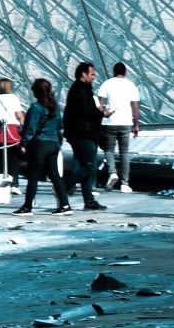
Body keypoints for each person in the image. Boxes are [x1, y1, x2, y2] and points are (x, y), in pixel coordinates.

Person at [16, 77, 69, 214]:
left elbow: (30, 128)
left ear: (36, 92)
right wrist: (59, 143)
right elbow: (59, 127)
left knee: (33, 176)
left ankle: (28, 206)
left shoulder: (36, 107)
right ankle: (65, 205)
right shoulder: (55, 107)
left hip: (40, 144)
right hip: (53, 144)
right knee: (55, 176)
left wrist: (24, 143)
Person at [62, 62, 107, 212]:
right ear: (84, 74)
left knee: (85, 165)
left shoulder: (80, 89)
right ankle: (65, 185)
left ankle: (89, 201)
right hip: (84, 133)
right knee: (90, 167)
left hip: (81, 132)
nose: (94, 77)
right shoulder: (80, 90)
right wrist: (102, 113)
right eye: (92, 74)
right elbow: (85, 112)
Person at [97, 61, 141, 191]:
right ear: (125, 72)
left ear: (113, 72)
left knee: (109, 149)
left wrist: (101, 116)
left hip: (110, 121)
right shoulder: (131, 85)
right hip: (126, 121)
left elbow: (100, 104)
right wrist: (136, 124)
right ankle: (125, 183)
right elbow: (135, 107)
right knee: (124, 152)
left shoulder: (107, 84)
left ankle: (112, 172)